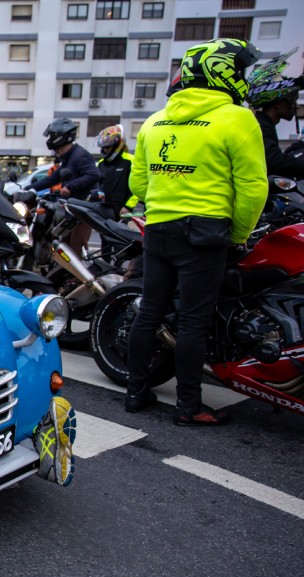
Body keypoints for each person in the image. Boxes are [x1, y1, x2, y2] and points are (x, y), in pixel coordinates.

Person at [125, 38, 267, 426]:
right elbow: (254, 188)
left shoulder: (155, 121)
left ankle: (136, 393)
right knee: (192, 322)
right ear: (226, 73)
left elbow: (138, 186)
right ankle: (188, 406)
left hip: (157, 230)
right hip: (205, 235)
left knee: (149, 314)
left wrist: (170, 189)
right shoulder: (237, 119)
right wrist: (238, 233)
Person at [29, 118, 102, 257]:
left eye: (51, 136)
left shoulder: (80, 155)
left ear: (58, 138)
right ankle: (63, 277)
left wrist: (70, 187)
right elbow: (53, 178)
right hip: (71, 212)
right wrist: (28, 189)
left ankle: (80, 279)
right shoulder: (69, 158)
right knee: (63, 251)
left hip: (83, 213)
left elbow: (94, 174)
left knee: (76, 251)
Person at [245, 49, 304, 180]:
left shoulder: (263, 123)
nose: (297, 106)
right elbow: (273, 161)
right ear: (278, 104)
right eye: (293, 100)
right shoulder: (260, 126)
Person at [94, 125, 139, 215]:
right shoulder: (100, 163)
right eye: (104, 148)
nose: (105, 150)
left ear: (117, 145)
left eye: (108, 147)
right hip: (102, 209)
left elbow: (137, 186)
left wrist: (128, 206)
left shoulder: (130, 161)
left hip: (122, 210)